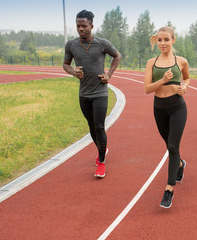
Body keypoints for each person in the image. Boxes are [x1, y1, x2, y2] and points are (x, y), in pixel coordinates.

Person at [63, 10, 121, 178]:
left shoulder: (102, 43)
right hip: (84, 93)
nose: (81, 29)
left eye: (84, 26)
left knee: (99, 126)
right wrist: (73, 72)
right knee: (91, 127)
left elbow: (117, 56)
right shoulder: (71, 45)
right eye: (78, 26)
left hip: (100, 92)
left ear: (91, 26)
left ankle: (101, 162)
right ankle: (102, 148)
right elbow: (66, 64)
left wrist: (109, 75)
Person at [144, 26, 190, 208]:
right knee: (170, 146)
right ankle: (179, 163)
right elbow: (147, 89)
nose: (163, 43)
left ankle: (169, 189)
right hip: (159, 109)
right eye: (160, 40)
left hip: (178, 107)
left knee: (172, 146)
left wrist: (184, 87)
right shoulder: (151, 62)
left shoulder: (181, 61)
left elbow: (187, 79)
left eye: (166, 40)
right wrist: (162, 80)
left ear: (173, 40)